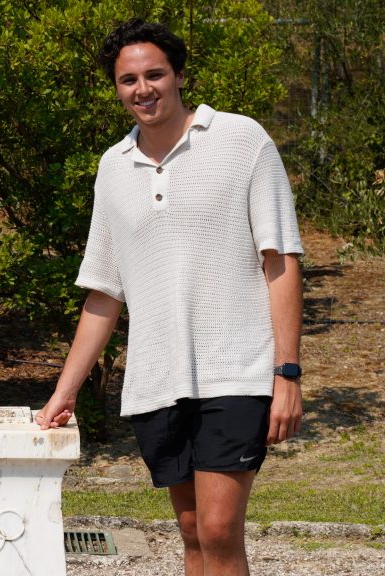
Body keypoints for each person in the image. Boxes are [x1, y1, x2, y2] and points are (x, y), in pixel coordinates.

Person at [36, 19, 303, 576]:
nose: (143, 89)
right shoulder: (113, 168)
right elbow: (104, 294)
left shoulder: (241, 139)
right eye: (128, 79)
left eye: (155, 74)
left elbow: (280, 263)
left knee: (219, 530)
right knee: (190, 535)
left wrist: (288, 374)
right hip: (157, 380)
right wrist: (66, 392)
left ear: (179, 76)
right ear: (116, 88)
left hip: (236, 371)